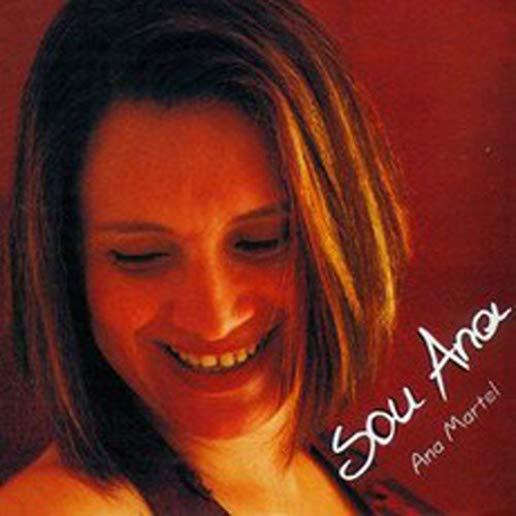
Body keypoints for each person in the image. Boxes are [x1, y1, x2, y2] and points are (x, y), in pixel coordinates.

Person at [0, 0, 437, 513]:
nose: (213, 316)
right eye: (141, 256)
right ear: (67, 268)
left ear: (346, 230)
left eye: (261, 242)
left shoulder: (336, 465)